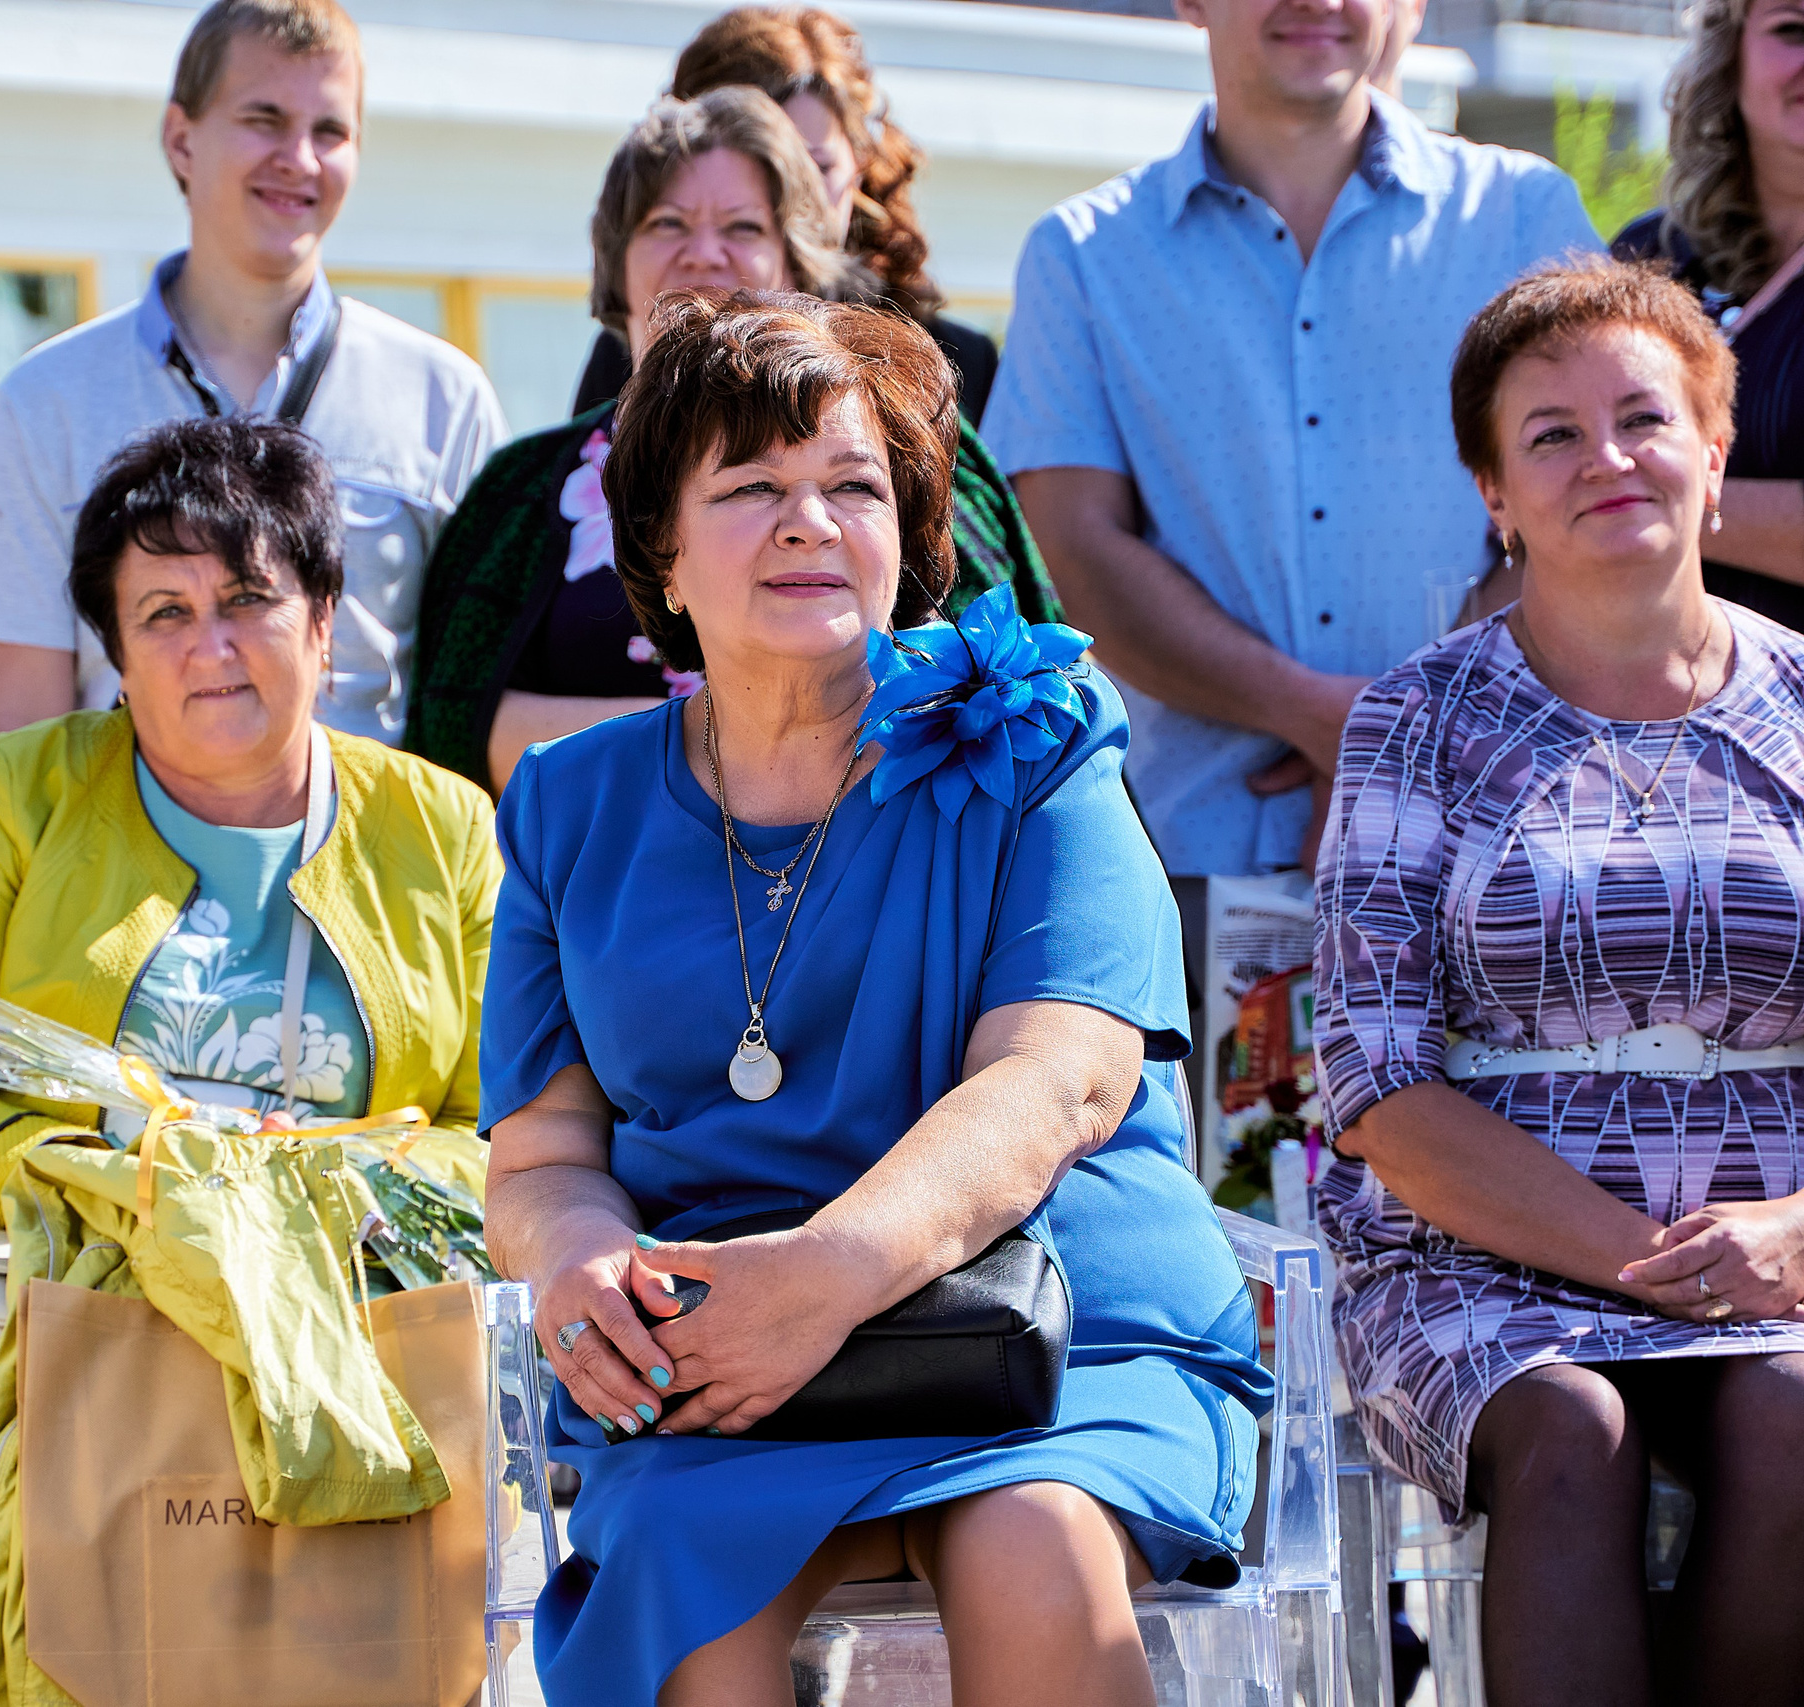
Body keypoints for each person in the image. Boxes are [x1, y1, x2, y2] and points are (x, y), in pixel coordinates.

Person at [483, 293, 1267, 1707]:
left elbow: (1061, 1078)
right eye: (752, 487)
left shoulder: (1039, 729)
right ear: (660, 542)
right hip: (731, 1347)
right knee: (677, 1579)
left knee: (1033, 1540)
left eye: (853, 485)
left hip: (1039, 1319)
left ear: (906, 530)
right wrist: (581, 1267)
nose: (810, 521)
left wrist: (829, 1276)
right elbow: (543, 1155)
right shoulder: (564, 801)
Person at [0, 415, 498, 1561]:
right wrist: (115, 1165)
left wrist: (310, 1182)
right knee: (47, 1552)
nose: (212, 647)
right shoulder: (13, 797)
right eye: (165, 615)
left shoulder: (443, 829)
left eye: (248, 600)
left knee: (351, 1564)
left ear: (324, 623)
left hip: (340, 1326)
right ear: (116, 655)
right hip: (23, 1324)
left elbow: (504, 1138)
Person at [1315, 261, 1804, 1705]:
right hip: (1477, 1258)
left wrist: (1786, 1234)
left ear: (1714, 454)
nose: (1607, 458)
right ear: (1493, 491)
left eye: (1644, 418)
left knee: (1796, 1415)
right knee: (1574, 1430)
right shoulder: (1417, 720)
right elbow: (1376, 1082)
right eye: (1551, 435)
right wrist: (1636, 1258)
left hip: (1778, 1253)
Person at [984, 0, 1598, 973]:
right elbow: (1078, 549)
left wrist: (1389, 733)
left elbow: (1584, 506)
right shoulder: (1083, 255)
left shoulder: (1526, 216)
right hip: (1187, 862)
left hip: (1492, 840)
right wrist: (1321, 717)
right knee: (1220, 1135)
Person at [408, 90, 1059, 792]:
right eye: (668, 222)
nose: (704, 252)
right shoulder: (519, 486)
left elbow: (998, 708)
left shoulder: (905, 444)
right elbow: (450, 739)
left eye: (743, 227)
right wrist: (720, 743)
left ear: (797, 263)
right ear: (615, 264)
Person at [0, 0, 506, 747]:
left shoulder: (445, 399)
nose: (299, 159)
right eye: (264, 119)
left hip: (373, 862)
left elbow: (476, 706)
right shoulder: (49, 401)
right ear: (180, 140)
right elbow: (19, 737)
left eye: (329, 131)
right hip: (121, 861)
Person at [569, 4, 1002, 426]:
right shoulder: (630, 348)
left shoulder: (954, 361)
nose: (790, 194)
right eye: (750, 165)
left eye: (814, 166)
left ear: (861, 165)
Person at [1612, 0, 1804, 633]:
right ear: (1730, 55)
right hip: (1650, 709)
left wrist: (1649, 502)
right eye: (1792, 29)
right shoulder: (1652, 254)